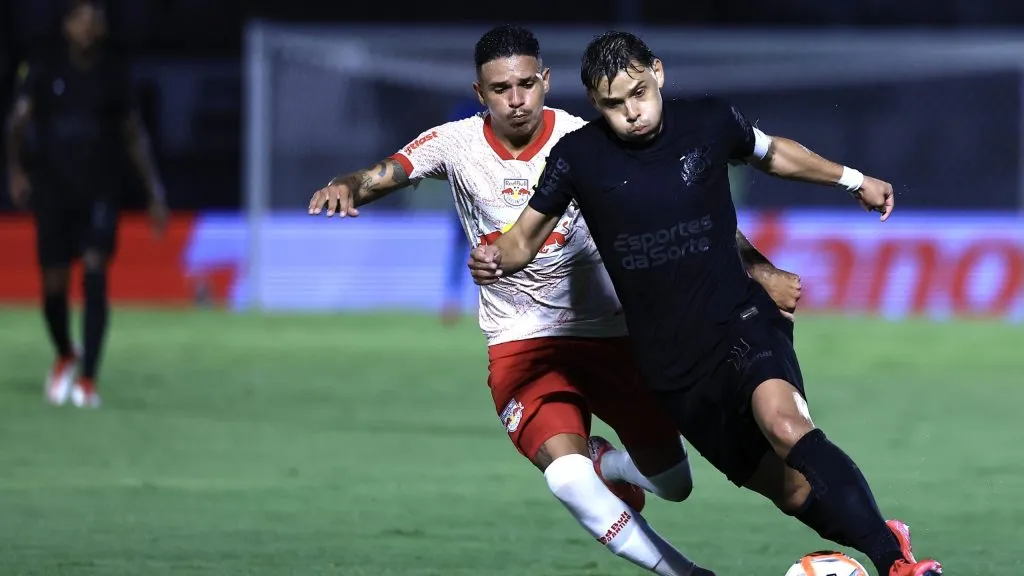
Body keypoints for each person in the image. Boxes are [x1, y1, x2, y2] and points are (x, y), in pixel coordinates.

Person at [309, 26, 799, 576]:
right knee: (565, 478)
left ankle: (607, 462)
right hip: (522, 345)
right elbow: (388, 172)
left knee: (674, 484)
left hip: (613, 338)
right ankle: (687, 574)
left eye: (525, 84)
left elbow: (688, 208)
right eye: (500, 89)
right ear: (480, 94)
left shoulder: (586, 140)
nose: (515, 100)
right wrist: (348, 184)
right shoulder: (454, 143)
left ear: (545, 81)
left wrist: (759, 268)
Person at [468, 31, 942, 576]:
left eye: (639, 93)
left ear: (659, 73)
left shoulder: (710, 123)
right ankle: (884, 533)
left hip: (739, 321)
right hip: (671, 366)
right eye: (614, 105)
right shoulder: (579, 156)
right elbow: (524, 237)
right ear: (595, 105)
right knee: (790, 492)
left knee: (786, 426)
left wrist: (853, 179)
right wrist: (495, 258)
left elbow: (774, 155)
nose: (633, 113)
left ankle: (893, 562)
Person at [5, 0, 168, 408]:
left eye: (95, 17)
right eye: (81, 16)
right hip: (53, 191)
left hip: (100, 190)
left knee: (96, 272)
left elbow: (134, 135)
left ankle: (89, 379)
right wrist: (16, 172)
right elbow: (17, 122)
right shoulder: (44, 66)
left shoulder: (113, 72)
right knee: (53, 288)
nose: (89, 24)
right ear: (66, 24)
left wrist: (154, 192)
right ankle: (65, 352)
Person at [440, 98, 484, 326]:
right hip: (465, 202)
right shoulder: (466, 113)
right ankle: (451, 302)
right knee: (460, 252)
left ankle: (485, 304)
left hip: (488, 202)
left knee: (490, 251)